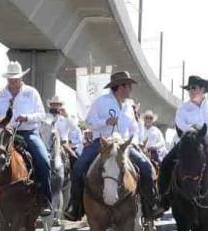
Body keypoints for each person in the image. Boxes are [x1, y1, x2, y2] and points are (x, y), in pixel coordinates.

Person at [63, 71, 157, 222]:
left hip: (124, 145)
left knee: (146, 167)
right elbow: (89, 122)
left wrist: (136, 143)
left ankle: (149, 207)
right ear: (120, 87)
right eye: (128, 86)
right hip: (102, 143)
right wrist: (105, 122)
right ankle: (75, 206)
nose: (130, 89)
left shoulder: (128, 105)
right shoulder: (101, 101)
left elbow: (134, 129)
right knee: (79, 167)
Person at [158, 75, 208, 217]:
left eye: (193, 88)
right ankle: (163, 199)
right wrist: (197, 128)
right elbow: (181, 125)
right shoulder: (183, 107)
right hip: (190, 141)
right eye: (189, 88)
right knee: (165, 163)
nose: (190, 91)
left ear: (202, 89)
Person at [0, 61, 52, 216]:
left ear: (21, 77)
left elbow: (42, 114)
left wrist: (27, 117)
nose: (13, 81)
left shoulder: (31, 92)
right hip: (3, 135)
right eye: (10, 78)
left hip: (27, 133)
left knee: (43, 161)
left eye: (15, 78)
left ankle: (44, 199)